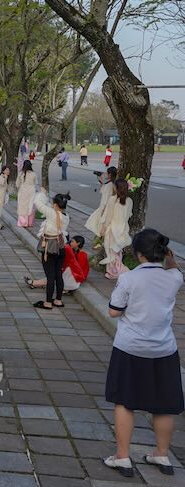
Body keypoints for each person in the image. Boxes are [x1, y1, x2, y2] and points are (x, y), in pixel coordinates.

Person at [103, 229, 183, 478]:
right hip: (164, 349)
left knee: (124, 401)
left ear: (138, 253)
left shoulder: (129, 279)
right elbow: (174, 268)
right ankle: (161, 454)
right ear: (163, 252)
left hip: (131, 347)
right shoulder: (174, 278)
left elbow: (114, 311)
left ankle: (122, 457)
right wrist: (170, 259)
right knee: (164, 406)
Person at [31, 191, 71, 309]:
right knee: (58, 274)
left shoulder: (51, 213)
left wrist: (42, 193)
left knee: (50, 276)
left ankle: (48, 302)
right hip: (61, 246)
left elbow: (38, 203)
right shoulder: (66, 216)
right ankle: (58, 300)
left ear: (55, 205)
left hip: (50, 246)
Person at [99, 178, 133, 280]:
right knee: (117, 251)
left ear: (117, 188)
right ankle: (115, 270)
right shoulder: (129, 201)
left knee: (111, 252)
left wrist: (103, 228)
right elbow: (129, 215)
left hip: (112, 229)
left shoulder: (112, 199)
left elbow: (108, 217)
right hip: (123, 229)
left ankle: (115, 271)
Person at [86, 166, 118, 235]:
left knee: (99, 228)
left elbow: (105, 199)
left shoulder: (109, 185)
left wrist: (103, 211)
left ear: (109, 174)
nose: (105, 174)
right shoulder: (113, 184)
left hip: (104, 208)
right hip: (108, 208)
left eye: (106, 173)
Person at [15, 160, 37, 228]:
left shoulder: (21, 173)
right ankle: (30, 223)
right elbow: (35, 183)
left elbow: (17, 184)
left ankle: (23, 222)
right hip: (31, 191)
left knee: (22, 207)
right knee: (30, 206)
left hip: (22, 191)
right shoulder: (33, 174)